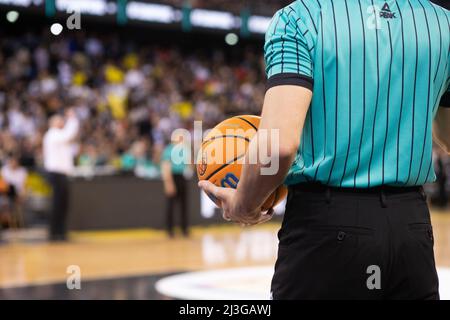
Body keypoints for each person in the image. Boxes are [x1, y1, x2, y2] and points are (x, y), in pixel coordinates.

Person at [199, 0, 449, 299]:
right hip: (412, 227)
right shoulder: (443, 23)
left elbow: (278, 146)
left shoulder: (300, 17)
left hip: (328, 226)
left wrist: (244, 204)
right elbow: (446, 137)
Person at [43, 109, 79, 241]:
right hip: (56, 173)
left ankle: (61, 232)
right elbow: (69, 134)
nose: (61, 121)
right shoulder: (53, 134)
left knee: (63, 204)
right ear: (52, 123)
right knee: (57, 204)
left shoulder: (58, 136)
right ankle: (54, 233)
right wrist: (72, 118)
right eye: (59, 119)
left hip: (62, 174)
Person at [161, 136, 190, 238]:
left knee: (184, 205)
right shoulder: (168, 150)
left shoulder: (184, 150)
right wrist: (169, 183)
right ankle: (170, 230)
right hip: (173, 177)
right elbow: (165, 166)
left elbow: (189, 166)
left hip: (182, 177)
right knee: (171, 206)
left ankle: (184, 229)